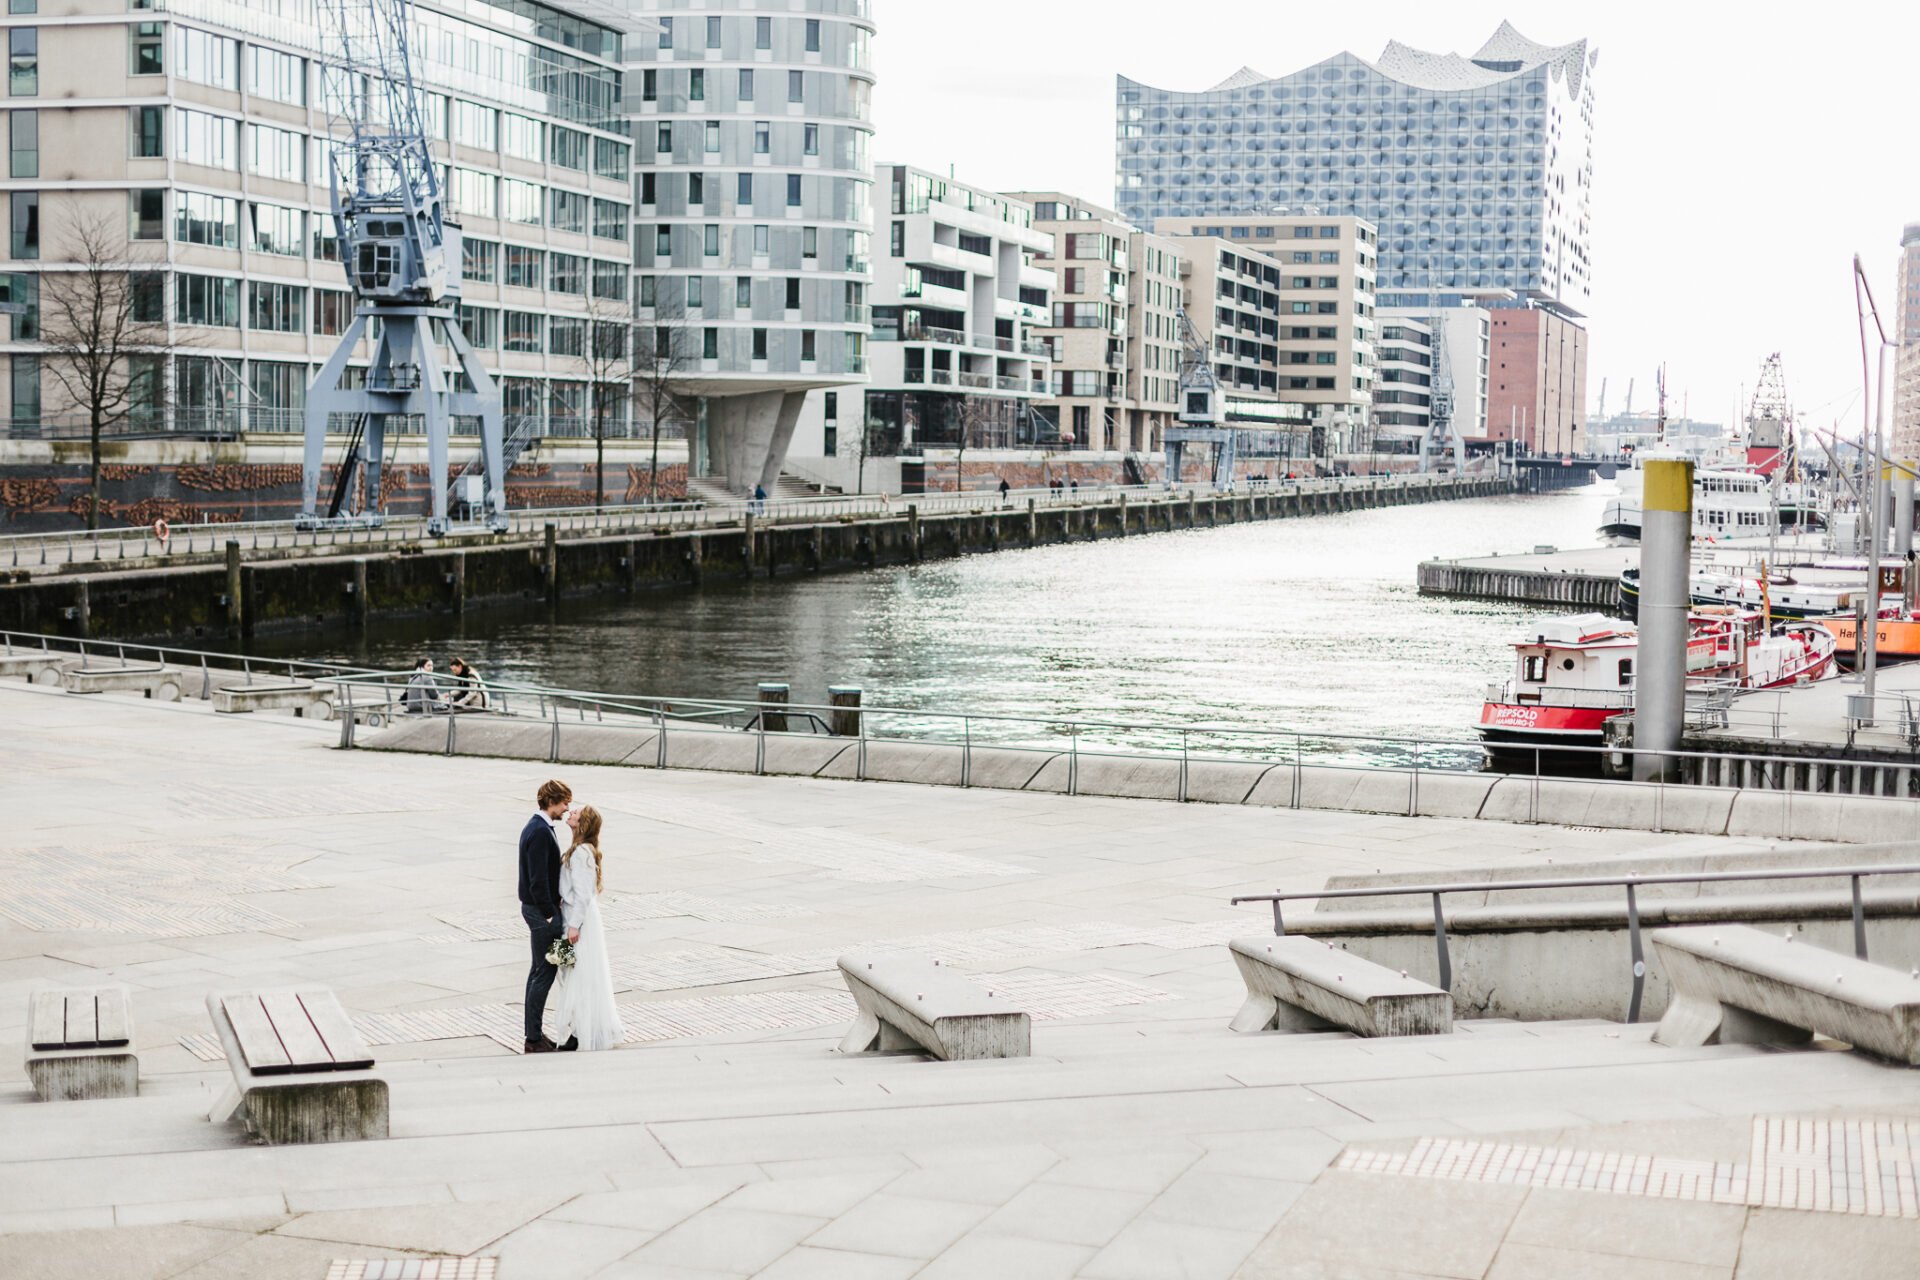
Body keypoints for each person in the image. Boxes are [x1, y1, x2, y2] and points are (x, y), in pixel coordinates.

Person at [550, 805, 625, 1052]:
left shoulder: (581, 852)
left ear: (582, 823)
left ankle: (580, 1030)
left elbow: (583, 894)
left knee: (575, 974)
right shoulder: (580, 849)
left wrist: (573, 926)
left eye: (576, 814)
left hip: (576, 921)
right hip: (575, 917)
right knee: (571, 973)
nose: (570, 814)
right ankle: (579, 1027)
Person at [519, 779, 577, 1054]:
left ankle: (536, 1034)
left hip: (540, 911)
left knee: (540, 972)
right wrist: (551, 915)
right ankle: (533, 1039)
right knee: (546, 972)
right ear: (552, 801)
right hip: (544, 914)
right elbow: (538, 881)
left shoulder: (538, 826)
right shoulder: (541, 831)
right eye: (565, 802)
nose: (568, 808)